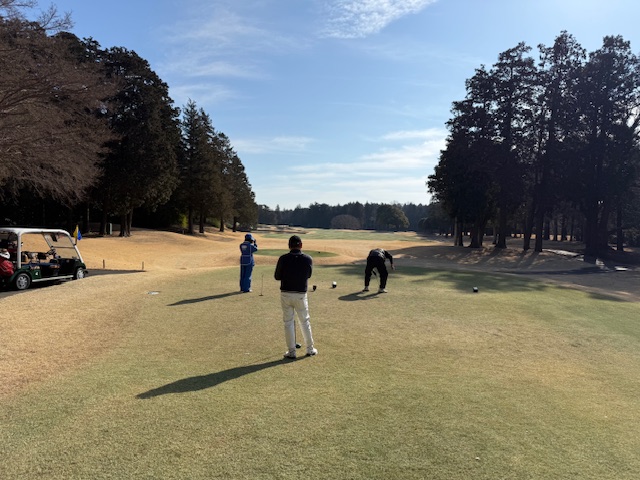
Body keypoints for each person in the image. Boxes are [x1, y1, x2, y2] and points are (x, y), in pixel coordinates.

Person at [274, 235, 317, 359]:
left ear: (289, 246)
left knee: (288, 322)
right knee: (304, 321)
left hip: (286, 293)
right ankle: (310, 349)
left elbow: (277, 276)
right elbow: (308, 275)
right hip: (300, 294)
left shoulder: (283, 258)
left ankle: (291, 351)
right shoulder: (308, 259)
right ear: (301, 245)